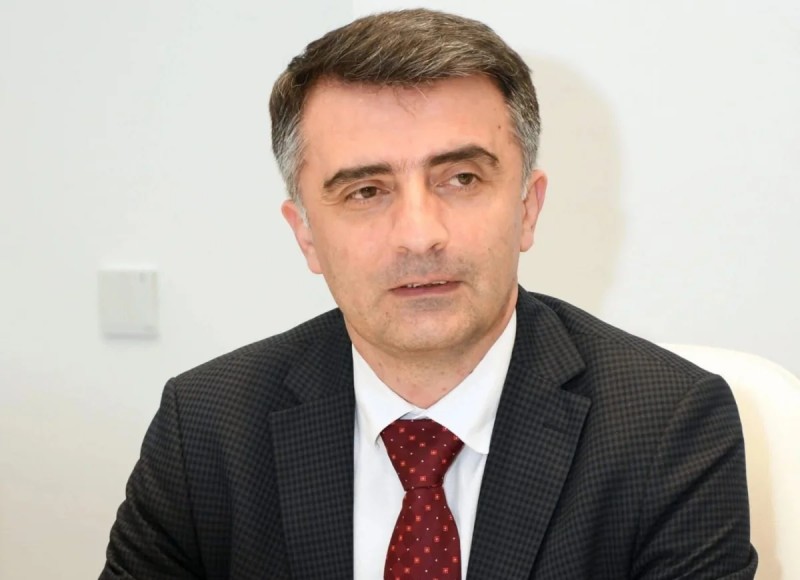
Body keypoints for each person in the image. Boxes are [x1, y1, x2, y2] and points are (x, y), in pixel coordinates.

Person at [100, 8, 757, 580]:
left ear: (527, 208)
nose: (419, 235)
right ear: (305, 234)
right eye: (366, 191)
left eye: (461, 179)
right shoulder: (206, 429)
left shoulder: (668, 427)